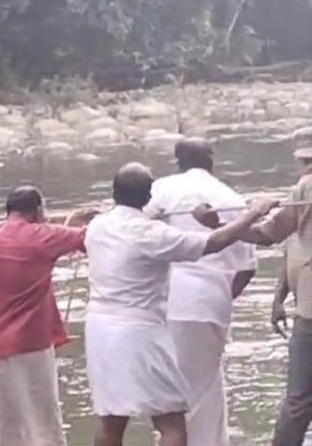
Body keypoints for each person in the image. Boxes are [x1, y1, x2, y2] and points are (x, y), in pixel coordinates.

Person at [83, 163, 279, 446]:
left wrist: (154, 216)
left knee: (111, 418)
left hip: (100, 331)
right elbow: (213, 243)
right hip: (138, 333)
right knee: (172, 423)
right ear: (148, 197)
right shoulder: (150, 234)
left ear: (114, 193)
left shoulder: (98, 226)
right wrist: (255, 211)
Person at [143, 138, 257, 446]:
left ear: (177, 161)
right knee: (204, 388)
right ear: (211, 160)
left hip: (165, 301)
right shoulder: (229, 196)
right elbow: (247, 267)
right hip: (210, 301)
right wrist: (222, 298)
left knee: (174, 391)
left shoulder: (160, 190)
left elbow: (136, 233)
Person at [0, 187, 95, 446]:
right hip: (33, 344)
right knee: (43, 419)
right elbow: (86, 239)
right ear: (38, 211)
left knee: (1, 423)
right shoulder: (42, 236)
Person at [237, 146, 312, 446]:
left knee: (299, 400)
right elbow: (288, 245)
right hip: (305, 302)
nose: (302, 168)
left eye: (306, 162)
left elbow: (264, 234)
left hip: (310, 311)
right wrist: (278, 299)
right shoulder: (303, 200)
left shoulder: (305, 189)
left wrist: (220, 226)